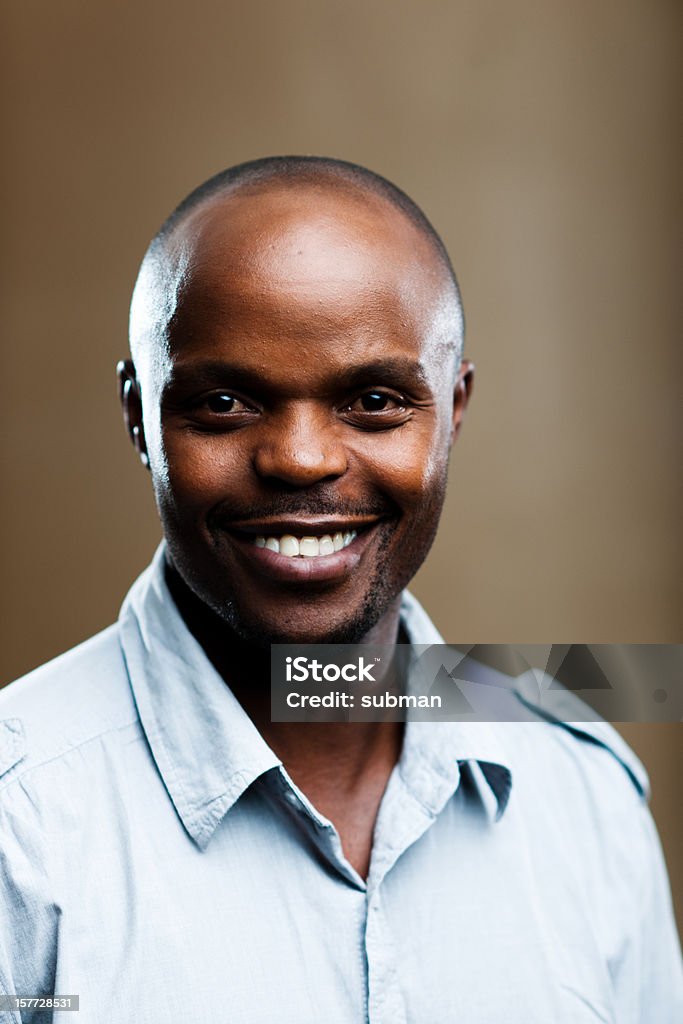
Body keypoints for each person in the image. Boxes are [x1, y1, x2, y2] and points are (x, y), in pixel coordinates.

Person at [0, 156, 680, 1023]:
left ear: (453, 410)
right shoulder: (19, 829)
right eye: (221, 403)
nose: (302, 460)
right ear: (139, 417)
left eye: (372, 400)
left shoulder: (578, 791)